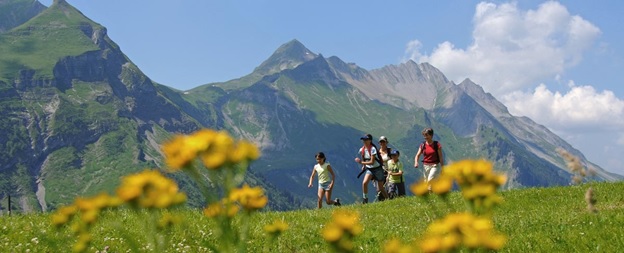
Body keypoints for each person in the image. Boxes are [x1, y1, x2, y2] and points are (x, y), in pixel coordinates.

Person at [354, 134, 389, 204]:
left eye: (366, 140)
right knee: (364, 183)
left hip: (377, 169)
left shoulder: (373, 149)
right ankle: (365, 199)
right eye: (363, 140)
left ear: (370, 140)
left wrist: (361, 162)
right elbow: (363, 157)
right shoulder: (362, 149)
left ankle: (388, 199)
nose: (364, 141)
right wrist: (364, 165)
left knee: (381, 188)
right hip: (370, 169)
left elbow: (372, 162)